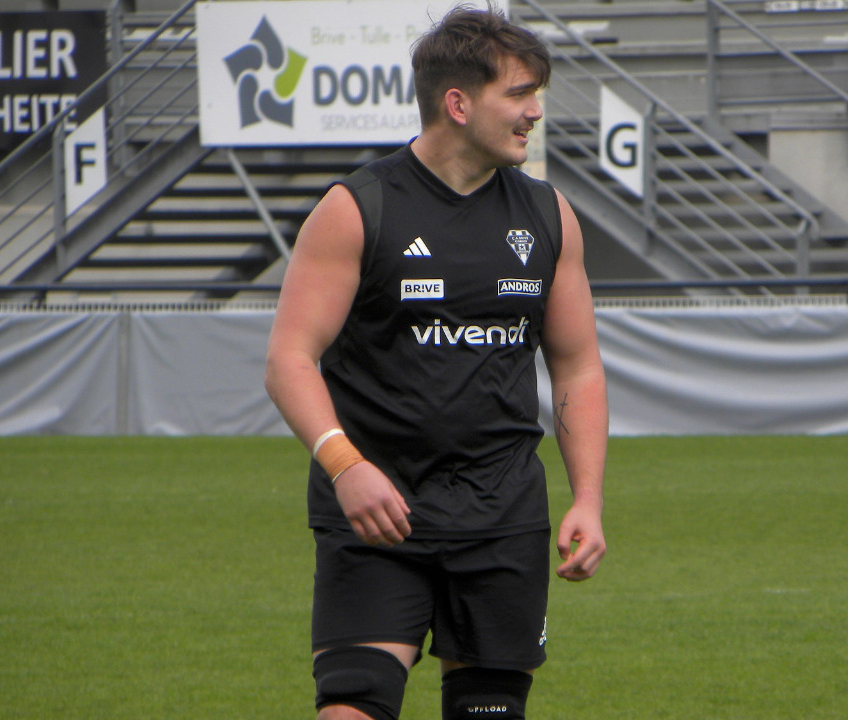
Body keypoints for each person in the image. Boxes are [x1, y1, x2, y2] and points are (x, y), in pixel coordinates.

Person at [263, 6, 609, 720]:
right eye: (519, 94)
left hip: (502, 517)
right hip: (376, 514)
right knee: (352, 706)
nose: (535, 112)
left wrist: (588, 498)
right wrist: (346, 467)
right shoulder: (357, 208)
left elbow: (577, 368)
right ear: (458, 103)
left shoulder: (549, 215)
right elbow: (289, 360)